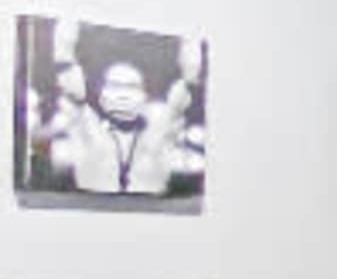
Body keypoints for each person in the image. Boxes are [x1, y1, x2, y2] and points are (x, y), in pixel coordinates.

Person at [23, 23, 204, 197]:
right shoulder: (88, 124)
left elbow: (188, 83)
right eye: (115, 86)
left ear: (144, 96)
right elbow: (65, 66)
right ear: (102, 94)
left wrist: (191, 38)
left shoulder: (156, 129)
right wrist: (69, 19)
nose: (123, 95)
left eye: (131, 87)